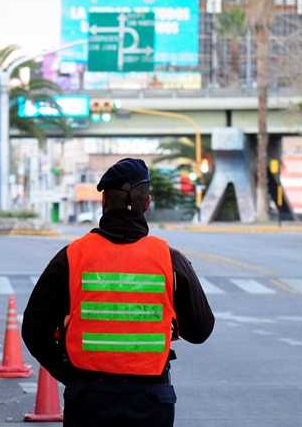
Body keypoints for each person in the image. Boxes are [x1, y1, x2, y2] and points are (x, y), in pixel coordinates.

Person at [22, 158, 214, 427]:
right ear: (146, 204)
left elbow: (33, 330)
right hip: (151, 403)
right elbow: (201, 330)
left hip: (88, 400)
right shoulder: (170, 260)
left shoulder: (71, 258)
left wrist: (71, 376)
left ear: (103, 203)